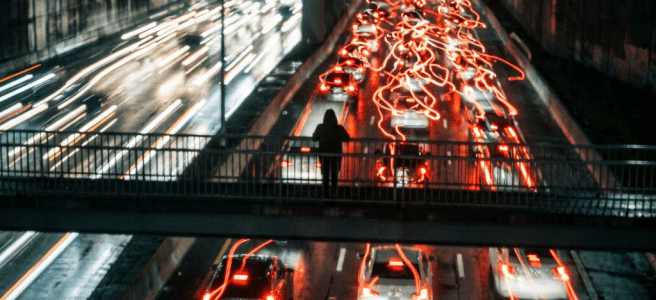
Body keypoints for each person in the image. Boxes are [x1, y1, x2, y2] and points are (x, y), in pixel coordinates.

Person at [312, 109, 350, 198]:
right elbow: (347, 138)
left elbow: (314, 138)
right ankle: (334, 192)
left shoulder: (320, 127)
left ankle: (325, 194)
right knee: (334, 174)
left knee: (325, 174)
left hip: (324, 154)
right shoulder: (339, 128)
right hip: (335, 155)